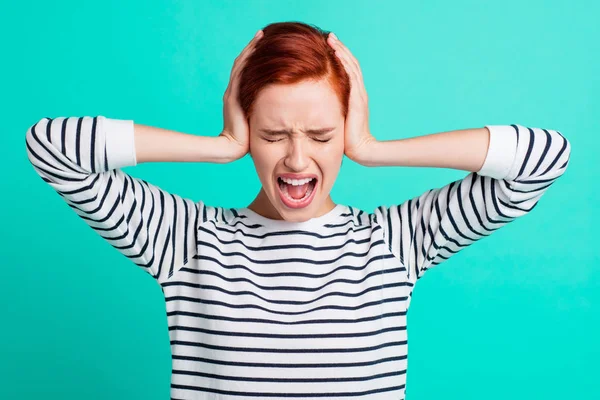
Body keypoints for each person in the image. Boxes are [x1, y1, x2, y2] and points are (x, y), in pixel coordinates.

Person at [25, 21, 571, 400]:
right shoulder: (185, 240)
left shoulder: (395, 243)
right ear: (247, 132)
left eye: (320, 134)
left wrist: (374, 148)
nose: (296, 158)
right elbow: (52, 147)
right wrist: (218, 144)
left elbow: (543, 158)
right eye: (271, 134)